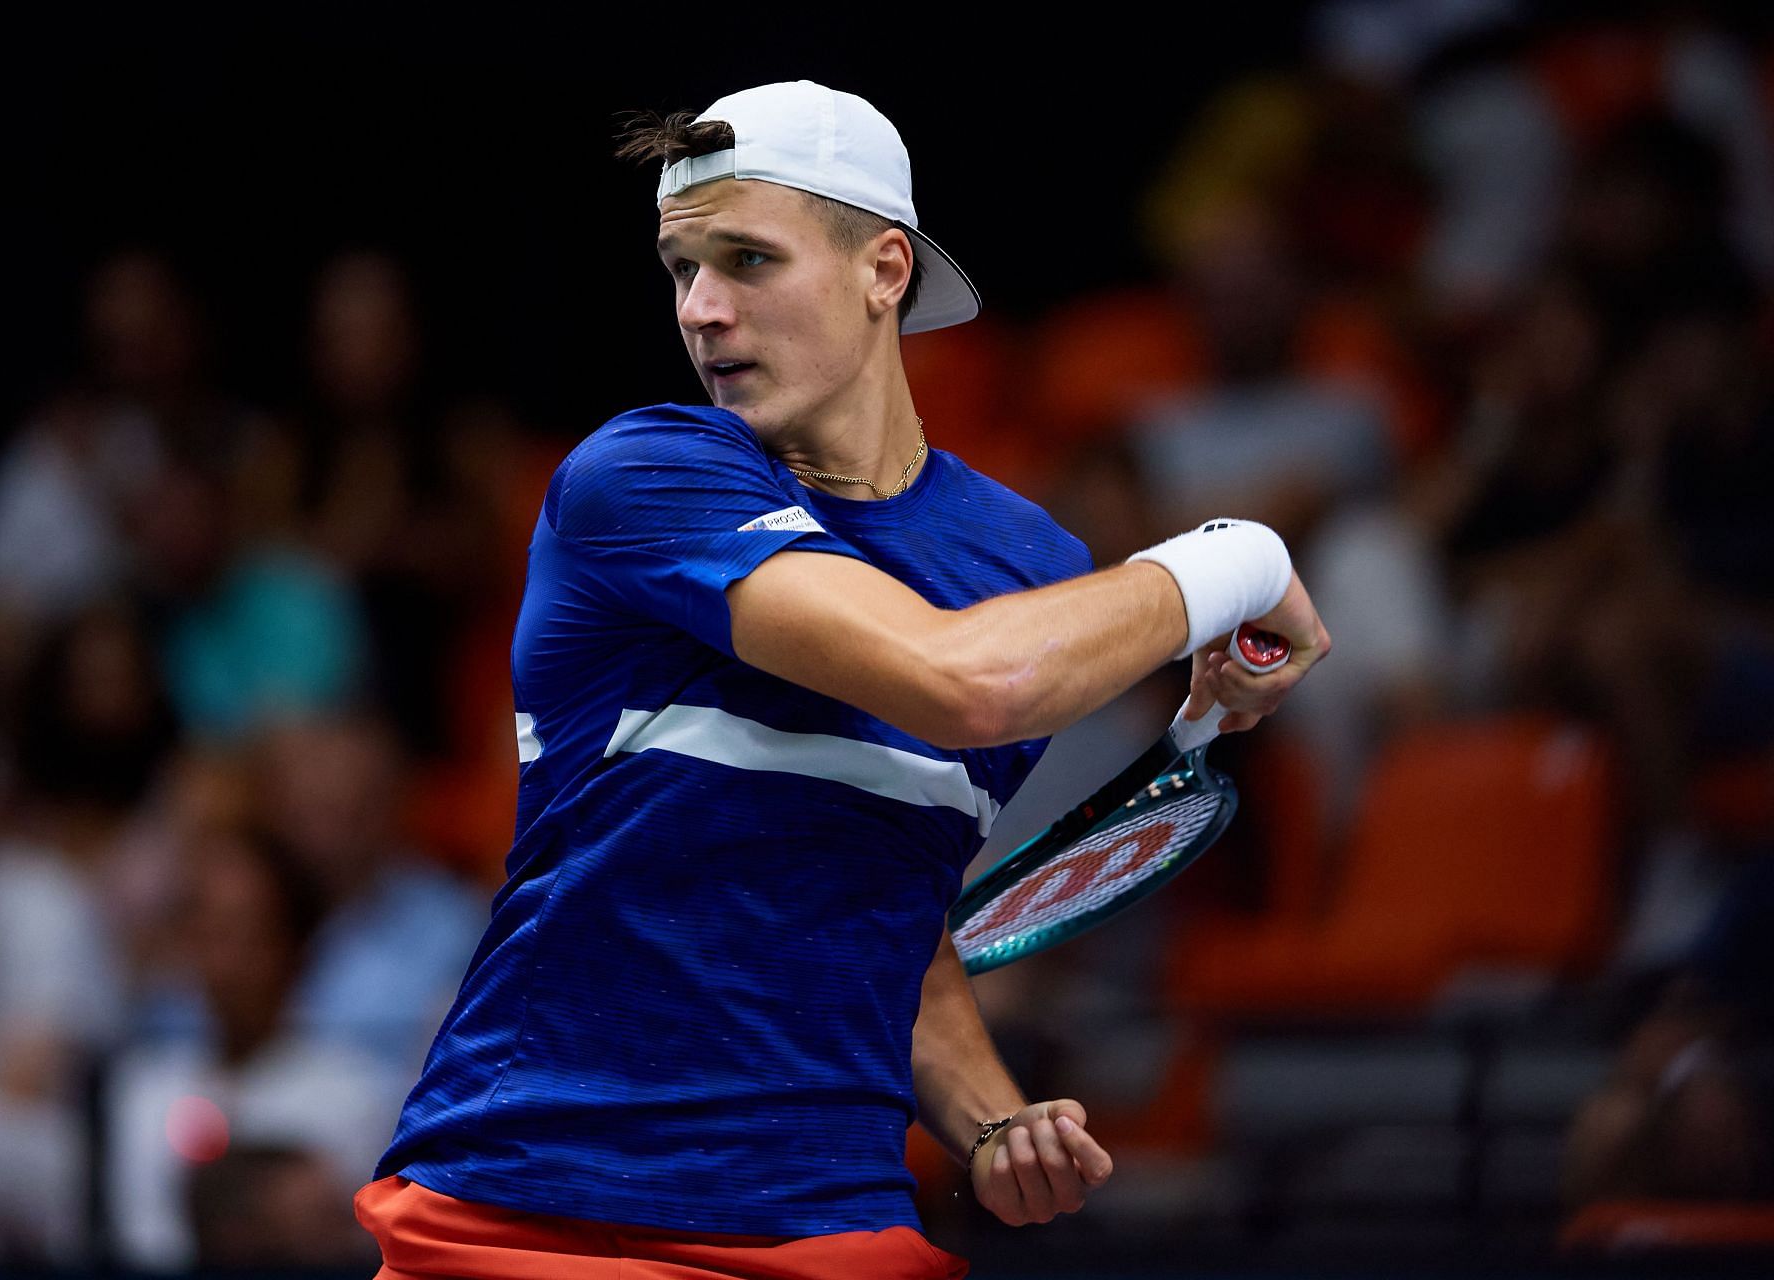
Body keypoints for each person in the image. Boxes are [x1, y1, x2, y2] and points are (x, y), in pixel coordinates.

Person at [354, 80, 1330, 1280]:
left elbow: (889, 906)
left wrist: (988, 1121)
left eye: (747, 259)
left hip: (831, 1215)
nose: (702, 310)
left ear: (885, 270)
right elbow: (962, 684)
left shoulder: (1025, 567)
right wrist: (1238, 559)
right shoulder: (643, 476)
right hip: (536, 1211)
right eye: (679, 269)